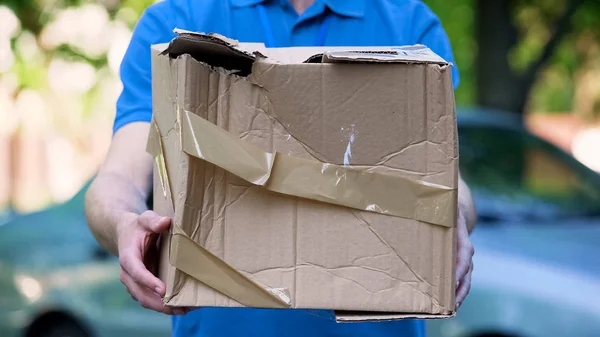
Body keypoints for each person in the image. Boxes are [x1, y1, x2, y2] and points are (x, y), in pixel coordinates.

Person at [85, 0, 477, 336]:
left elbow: (449, 185)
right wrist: (123, 224)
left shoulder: (409, 24)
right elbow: (118, 178)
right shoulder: (177, 21)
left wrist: (452, 217)